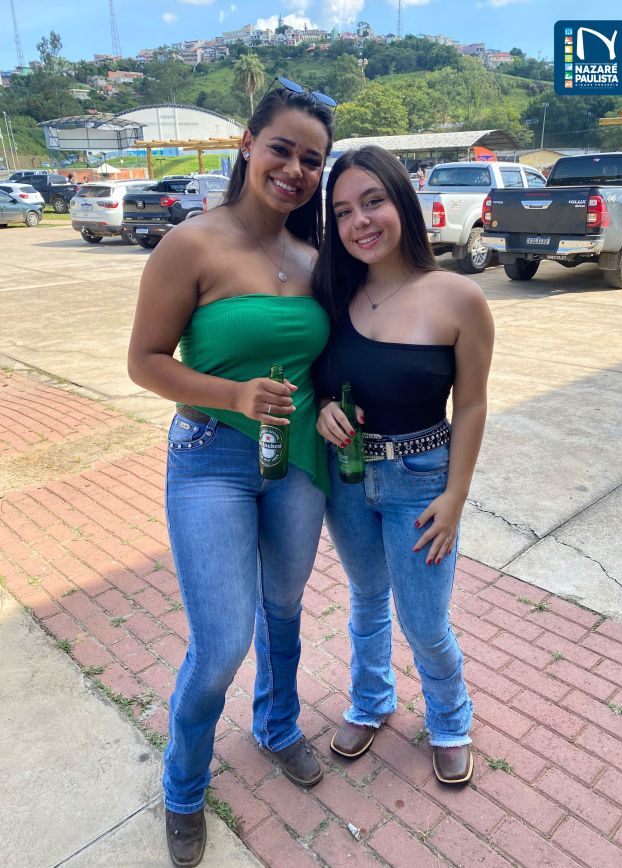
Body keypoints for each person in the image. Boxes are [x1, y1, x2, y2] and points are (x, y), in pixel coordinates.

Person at [128, 81, 335, 867]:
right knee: (220, 644)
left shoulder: (314, 257)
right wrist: (234, 394)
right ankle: (184, 786)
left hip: (298, 462)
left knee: (283, 609)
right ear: (247, 144)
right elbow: (144, 361)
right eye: (281, 148)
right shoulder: (192, 244)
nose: (294, 169)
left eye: (311, 160)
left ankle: (277, 726)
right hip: (210, 456)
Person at [312, 146, 494, 786]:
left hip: (422, 480)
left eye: (373, 202)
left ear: (403, 203)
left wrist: (456, 495)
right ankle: (371, 700)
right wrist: (323, 409)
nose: (359, 221)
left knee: (423, 619)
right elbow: (320, 379)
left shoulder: (459, 297)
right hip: (346, 478)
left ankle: (450, 717)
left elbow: (471, 404)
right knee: (366, 598)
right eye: (342, 212)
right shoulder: (334, 292)